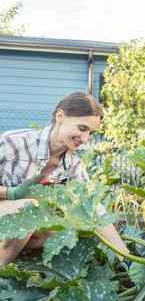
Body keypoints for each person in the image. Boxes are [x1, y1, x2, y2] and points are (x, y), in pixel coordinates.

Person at [0, 91, 129, 266]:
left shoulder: (74, 166)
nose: (85, 139)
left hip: (23, 233)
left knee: (58, 231)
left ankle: (27, 271)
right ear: (60, 116)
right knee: (28, 209)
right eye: (82, 128)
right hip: (7, 217)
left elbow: (91, 208)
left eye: (90, 133)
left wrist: (125, 258)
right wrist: (11, 193)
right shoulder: (12, 143)